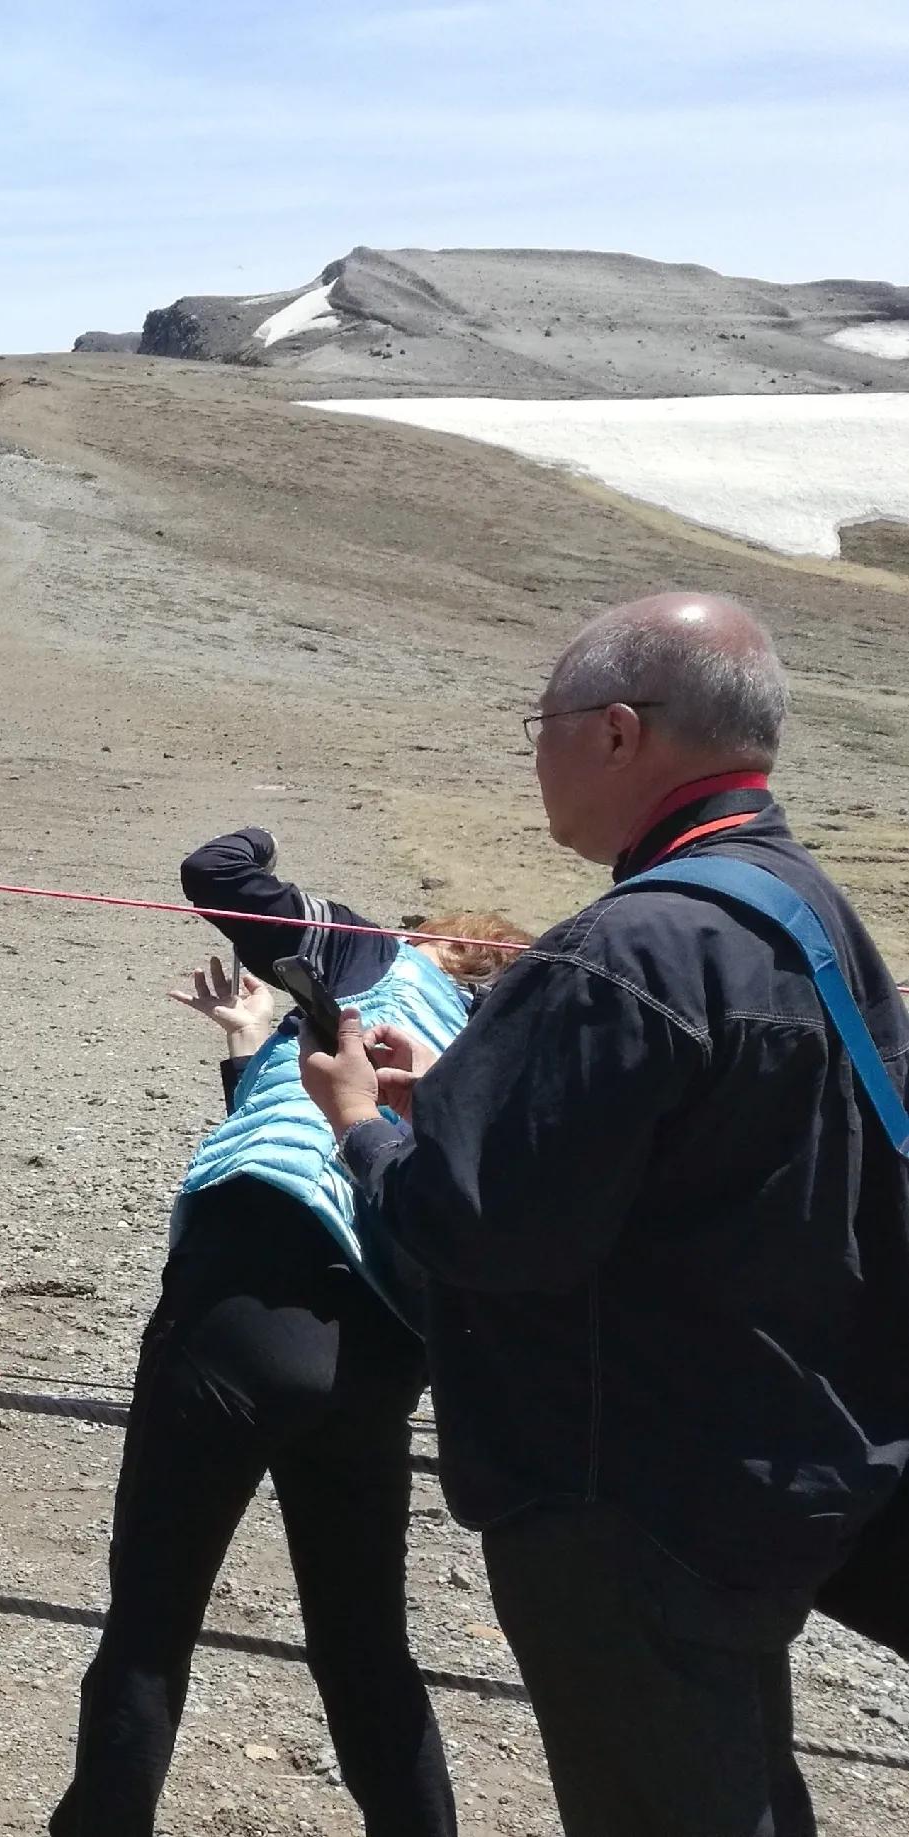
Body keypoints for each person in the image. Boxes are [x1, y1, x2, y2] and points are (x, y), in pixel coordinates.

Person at [303, 592, 909, 1837]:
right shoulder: (806, 911)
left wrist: (365, 1125)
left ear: (620, 733)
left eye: (544, 722)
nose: (535, 751)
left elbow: (472, 1232)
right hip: (779, 1460)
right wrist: (485, 1098)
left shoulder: (619, 951)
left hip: (625, 1486)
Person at [51, 826, 526, 1837]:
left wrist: (262, 836)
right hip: (379, 1351)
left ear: (438, 937)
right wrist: (248, 1043)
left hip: (240, 1298)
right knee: (363, 1649)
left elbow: (216, 872)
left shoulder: (362, 953)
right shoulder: (488, 1058)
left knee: (149, 1621)